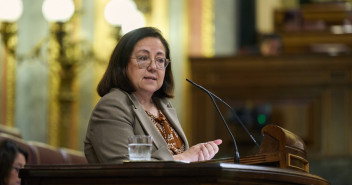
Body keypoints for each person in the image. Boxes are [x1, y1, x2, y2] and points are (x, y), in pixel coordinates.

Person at [84, 27, 222, 163]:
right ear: (122, 64)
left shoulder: (163, 105)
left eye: (160, 60)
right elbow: (123, 167)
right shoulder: (112, 106)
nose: (153, 67)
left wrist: (198, 155)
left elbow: (179, 158)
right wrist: (184, 158)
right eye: (143, 58)